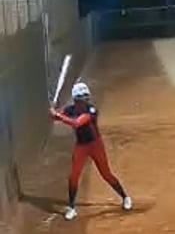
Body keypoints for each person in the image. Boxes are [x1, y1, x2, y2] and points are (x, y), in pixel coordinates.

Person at [48, 82, 132, 221]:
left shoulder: (91, 110)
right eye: (83, 98)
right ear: (76, 99)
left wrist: (57, 114)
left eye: (87, 97)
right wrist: (53, 113)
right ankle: (72, 208)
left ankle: (125, 197)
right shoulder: (70, 109)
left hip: (95, 145)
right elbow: (59, 117)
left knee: (106, 174)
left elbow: (77, 123)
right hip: (81, 146)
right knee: (73, 176)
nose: (86, 100)